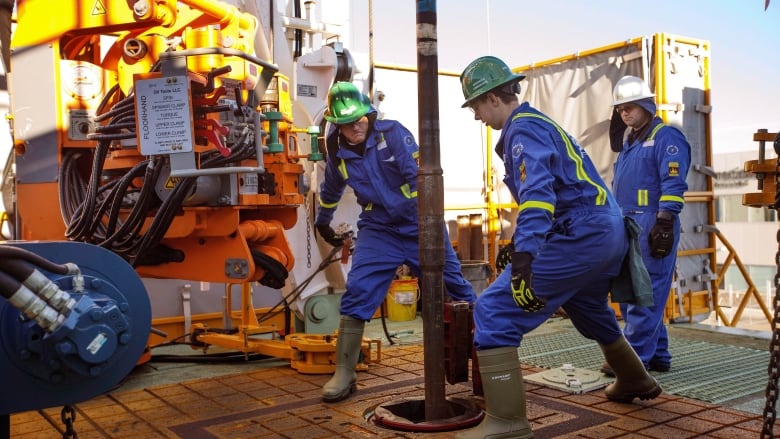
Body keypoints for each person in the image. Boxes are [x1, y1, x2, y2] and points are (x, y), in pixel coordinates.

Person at [455, 56, 661, 438]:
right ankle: (634, 379)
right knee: (588, 308)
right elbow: (556, 189)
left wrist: (524, 258)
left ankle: (507, 422)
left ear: (492, 99)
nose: (476, 117)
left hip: (581, 233)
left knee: (494, 310)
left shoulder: (522, 129)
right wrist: (519, 242)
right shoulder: (539, 124)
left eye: (476, 107)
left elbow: (538, 195)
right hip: (604, 230)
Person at [315, 81, 477, 403]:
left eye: (360, 120)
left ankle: (488, 356)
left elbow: (418, 178)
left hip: (419, 222)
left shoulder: (393, 135)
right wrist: (322, 221)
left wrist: (427, 221)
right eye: (347, 125)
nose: (355, 128)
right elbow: (332, 189)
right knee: (359, 290)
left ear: (369, 114)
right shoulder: (337, 151)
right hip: (379, 228)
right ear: (338, 126)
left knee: (457, 286)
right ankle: (345, 373)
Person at [602, 75, 691, 376]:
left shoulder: (667, 137)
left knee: (645, 293)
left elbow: (673, 181)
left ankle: (634, 360)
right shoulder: (630, 141)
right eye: (620, 109)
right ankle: (659, 355)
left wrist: (664, 221)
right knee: (631, 294)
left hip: (652, 226)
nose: (625, 114)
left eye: (630, 107)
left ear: (645, 105)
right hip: (628, 225)